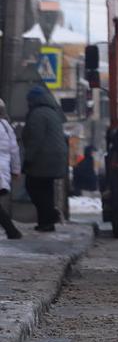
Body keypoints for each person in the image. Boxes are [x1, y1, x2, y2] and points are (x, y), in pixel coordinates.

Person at [20, 84, 66, 232]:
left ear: (34, 99)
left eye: (29, 100)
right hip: (55, 158)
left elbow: (35, 139)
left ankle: (50, 216)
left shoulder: (38, 114)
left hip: (43, 159)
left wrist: (28, 159)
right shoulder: (53, 112)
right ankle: (46, 223)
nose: (28, 102)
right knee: (46, 190)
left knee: (33, 187)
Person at [0, 98, 22, 240]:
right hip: (3, 171)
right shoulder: (6, 126)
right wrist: (15, 170)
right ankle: (12, 231)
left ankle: (12, 231)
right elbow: (14, 151)